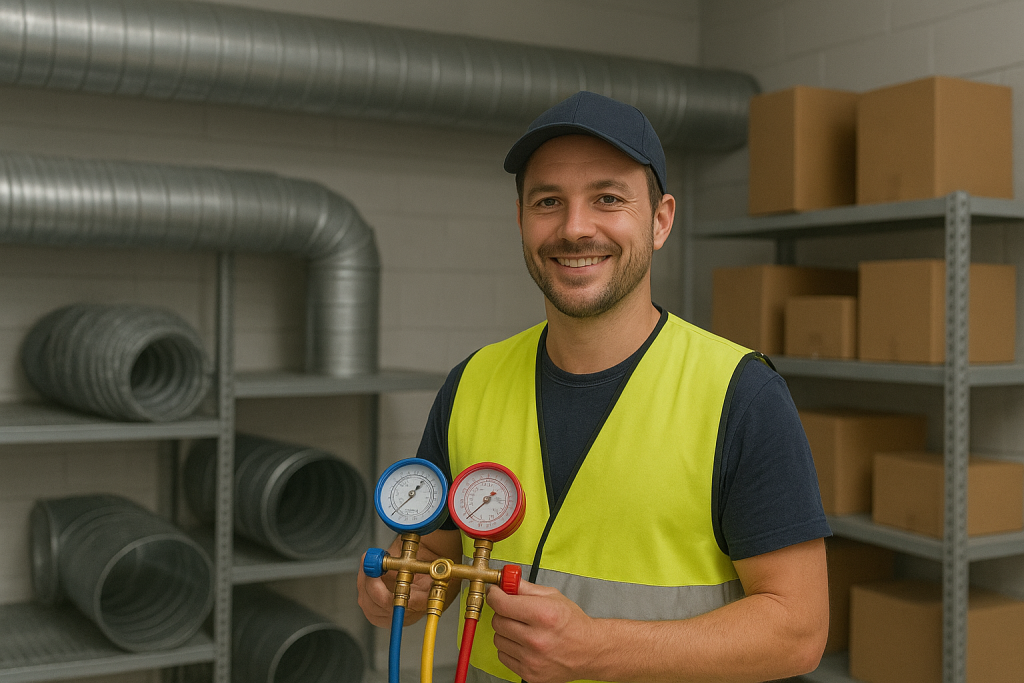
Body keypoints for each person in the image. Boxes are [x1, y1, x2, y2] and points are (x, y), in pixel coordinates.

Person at [358, 91, 831, 683]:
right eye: (548, 201)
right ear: (522, 221)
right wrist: (400, 586)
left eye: (607, 199)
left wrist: (601, 649)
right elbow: (440, 557)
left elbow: (798, 631)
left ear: (660, 221)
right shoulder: (471, 382)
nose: (574, 228)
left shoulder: (739, 393)